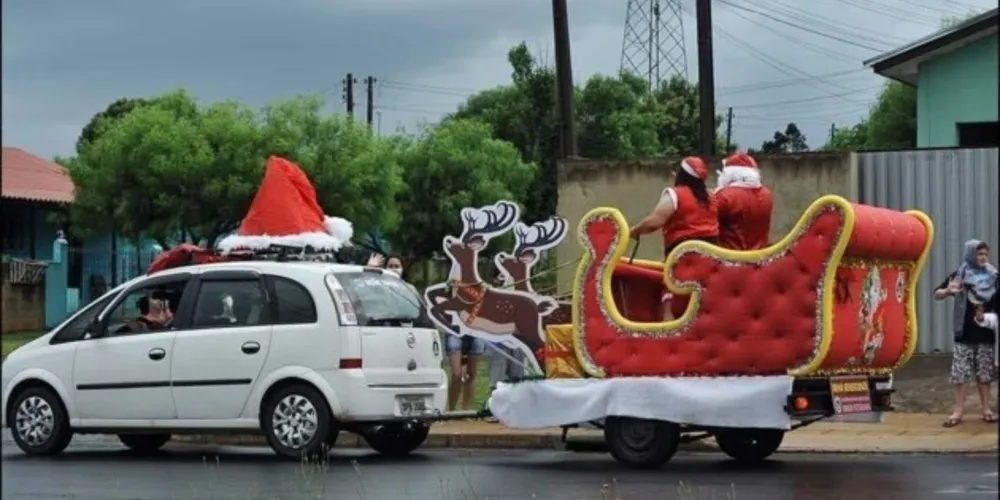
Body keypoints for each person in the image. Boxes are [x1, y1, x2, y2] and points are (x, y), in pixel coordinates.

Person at [628, 156, 719, 320]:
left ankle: (667, 324)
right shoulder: (712, 197)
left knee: (668, 294)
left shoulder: (675, 194)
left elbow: (654, 222)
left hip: (682, 257)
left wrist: (633, 231)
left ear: (681, 174)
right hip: (710, 257)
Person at [934, 239, 998, 427]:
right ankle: (958, 412)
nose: (983, 257)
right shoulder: (959, 275)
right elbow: (936, 294)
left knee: (985, 375)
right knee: (960, 375)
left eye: (985, 254)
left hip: (986, 334)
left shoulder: (994, 276)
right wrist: (947, 291)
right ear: (970, 255)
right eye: (979, 254)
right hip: (964, 334)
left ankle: (986, 409)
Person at [714, 152, 773, 250]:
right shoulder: (767, 194)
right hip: (760, 254)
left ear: (729, 174)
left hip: (730, 255)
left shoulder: (724, 196)